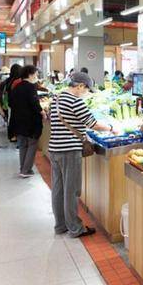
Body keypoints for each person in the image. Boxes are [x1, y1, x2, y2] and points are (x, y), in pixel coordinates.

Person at [49, 72, 115, 238]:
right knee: (71, 191)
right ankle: (75, 228)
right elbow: (93, 124)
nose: (86, 93)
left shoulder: (57, 98)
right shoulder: (75, 101)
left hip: (55, 148)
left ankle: (60, 226)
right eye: (86, 89)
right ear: (79, 86)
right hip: (70, 151)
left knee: (58, 189)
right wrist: (111, 128)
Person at [10, 65, 44, 178]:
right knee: (32, 144)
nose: (37, 76)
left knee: (22, 145)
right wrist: (42, 112)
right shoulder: (30, 87)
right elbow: (34, 103)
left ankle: (22, 168)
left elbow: (11, 103)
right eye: (36, 74)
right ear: (30, 74)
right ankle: (26, 170)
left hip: (18, 120)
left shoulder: (16, 87)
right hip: (31, 121)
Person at [2, 63, 21, 142]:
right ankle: (14, 136)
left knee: (11, 119)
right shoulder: (18, 81)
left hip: (9, 102)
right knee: (15, 120)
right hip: (16, 103)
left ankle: (11, 135)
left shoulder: (8, 80)